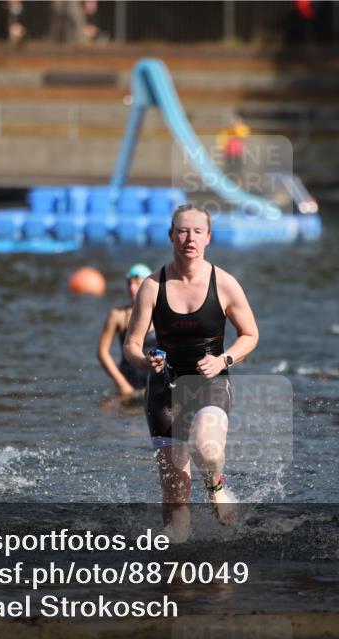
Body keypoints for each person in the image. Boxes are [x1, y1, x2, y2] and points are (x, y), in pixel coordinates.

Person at [123, 204, 259, 538]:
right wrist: (144, 362)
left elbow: (251, 335)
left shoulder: (224, 283)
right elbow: (131, 344)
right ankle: (178, 576)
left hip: (209, 383)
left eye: (198, 231)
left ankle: (216, 487)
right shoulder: (153, 287)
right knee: (175, 501)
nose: (190, 238)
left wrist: (223, 360)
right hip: (164, 392)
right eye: (183, 230)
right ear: (172, 235)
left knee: (206, 448)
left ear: (208, 238)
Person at [97, 264, 158, 398]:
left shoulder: (162, 312)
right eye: (129, 283)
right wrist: (122, 384)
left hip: (156, 383)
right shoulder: (118, 315)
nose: (132, 288)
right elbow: (102, 352)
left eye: (137, 283)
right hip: (129, 384)